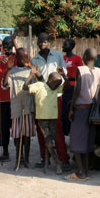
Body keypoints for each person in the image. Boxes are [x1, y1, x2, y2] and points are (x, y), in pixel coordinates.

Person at [31, 32, 71, 171]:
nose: (42, 43)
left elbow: (62, 74)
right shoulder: (34, 59)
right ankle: (44, 158)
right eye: (40, 41)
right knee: (42, 129)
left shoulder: (58, 56)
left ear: (49, 42)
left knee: (57, 129)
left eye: (45, 41)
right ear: (37, 43)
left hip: (56, 96)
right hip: (41, 97)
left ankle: (63, 158)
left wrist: (61, 74)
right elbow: (36, 80)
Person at [65, 48, 100, 181]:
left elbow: (78, 89)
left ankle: (80, 172)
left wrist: (71, 106)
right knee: (86, 143)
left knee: (75, 141)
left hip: (80, 108)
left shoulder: (81, 70)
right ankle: (86, 172)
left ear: (85, 56)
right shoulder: (98, 71)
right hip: (91, 109)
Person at [24, 68, 66, 174]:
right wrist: (31, 75)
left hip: (53, 118)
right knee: (48, 141)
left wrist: (64, 76)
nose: (57, 87)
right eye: (56, 84)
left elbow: (68, 87)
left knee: (50, 142)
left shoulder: (55, 88)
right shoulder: (39, 85)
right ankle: (57, 163)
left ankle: (47, 163)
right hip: (42, 119)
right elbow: (25, 87)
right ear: (50, 81)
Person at [3, 48, 36, 170]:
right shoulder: (13, 71)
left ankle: (26, 159)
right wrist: (9, 69)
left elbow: (40, 81)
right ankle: (18, 157)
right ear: (17, 58)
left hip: (28, 106)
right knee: (17, 134)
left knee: (27, 134)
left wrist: (31, 67)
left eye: (26, 57)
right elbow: (5, 84)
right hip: (16, 105)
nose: (24, 59)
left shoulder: (30, 70)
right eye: (21, 57)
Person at [0, 36, 16, 162]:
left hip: (14, 96)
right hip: (2, 98)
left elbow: (23, 56)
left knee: (16, 126)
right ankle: (5, 151)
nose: (8, 49)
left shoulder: (16, 57)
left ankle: (20, 152)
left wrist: (16, 42)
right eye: (6, 47)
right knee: (3, 126)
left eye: (10, 46)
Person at [62, 38, 83, 136]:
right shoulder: (62, 58)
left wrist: (69, 79)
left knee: (71, 109)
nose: (62, 46)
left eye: (65, 45)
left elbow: (80, 74)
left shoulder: (77, 59)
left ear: (71, 47)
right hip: (62, 88)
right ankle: (65, 131)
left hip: (72, 87)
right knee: (63, 111)